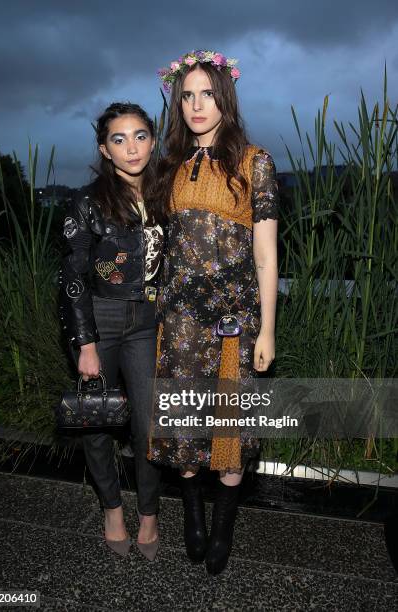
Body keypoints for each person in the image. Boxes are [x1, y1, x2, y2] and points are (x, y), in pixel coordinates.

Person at [148, 50, 279, 575]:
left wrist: (268, 327)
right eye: (187, 95)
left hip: (234, 323)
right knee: (183, 425)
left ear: (225, 97)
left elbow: (267, 255)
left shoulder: (255, 162)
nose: (196, 105)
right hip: (178, 320)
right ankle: (193, 516)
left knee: (229, 429)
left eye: (207, 94)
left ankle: (223, 525)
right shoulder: (169, 168)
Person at [59, 102, 166, 561]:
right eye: (119, 139)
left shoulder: (167, 194)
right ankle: (112, 510)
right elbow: (72, 277)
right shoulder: (86, 201)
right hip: (100, 320)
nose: (131, 147)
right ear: (104, 148)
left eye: (140, 136)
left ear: (153, 140)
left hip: (148, 323)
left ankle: (149, 514)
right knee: (97, 421)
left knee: (149, 425)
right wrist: (84, 343)